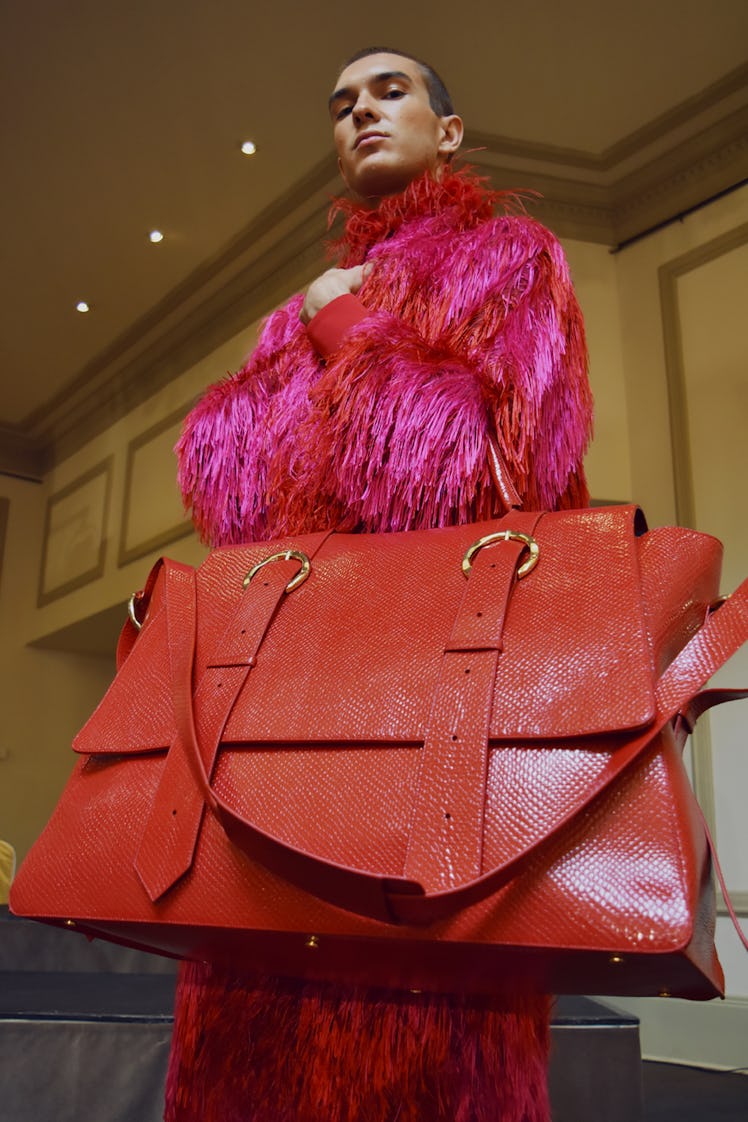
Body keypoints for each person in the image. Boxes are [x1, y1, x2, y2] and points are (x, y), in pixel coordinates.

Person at [166, 47, 593, 1122]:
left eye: (390, 90)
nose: (359, 110)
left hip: (437, 714)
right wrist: (315, 324)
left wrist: (344, 332)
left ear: (450, 131)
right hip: (280, 715)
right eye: (341, 102)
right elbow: (232, 503)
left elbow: (486, 471)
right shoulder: (297, 308)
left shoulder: (511, 259)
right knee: (241, 1029)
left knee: (432, 1046)